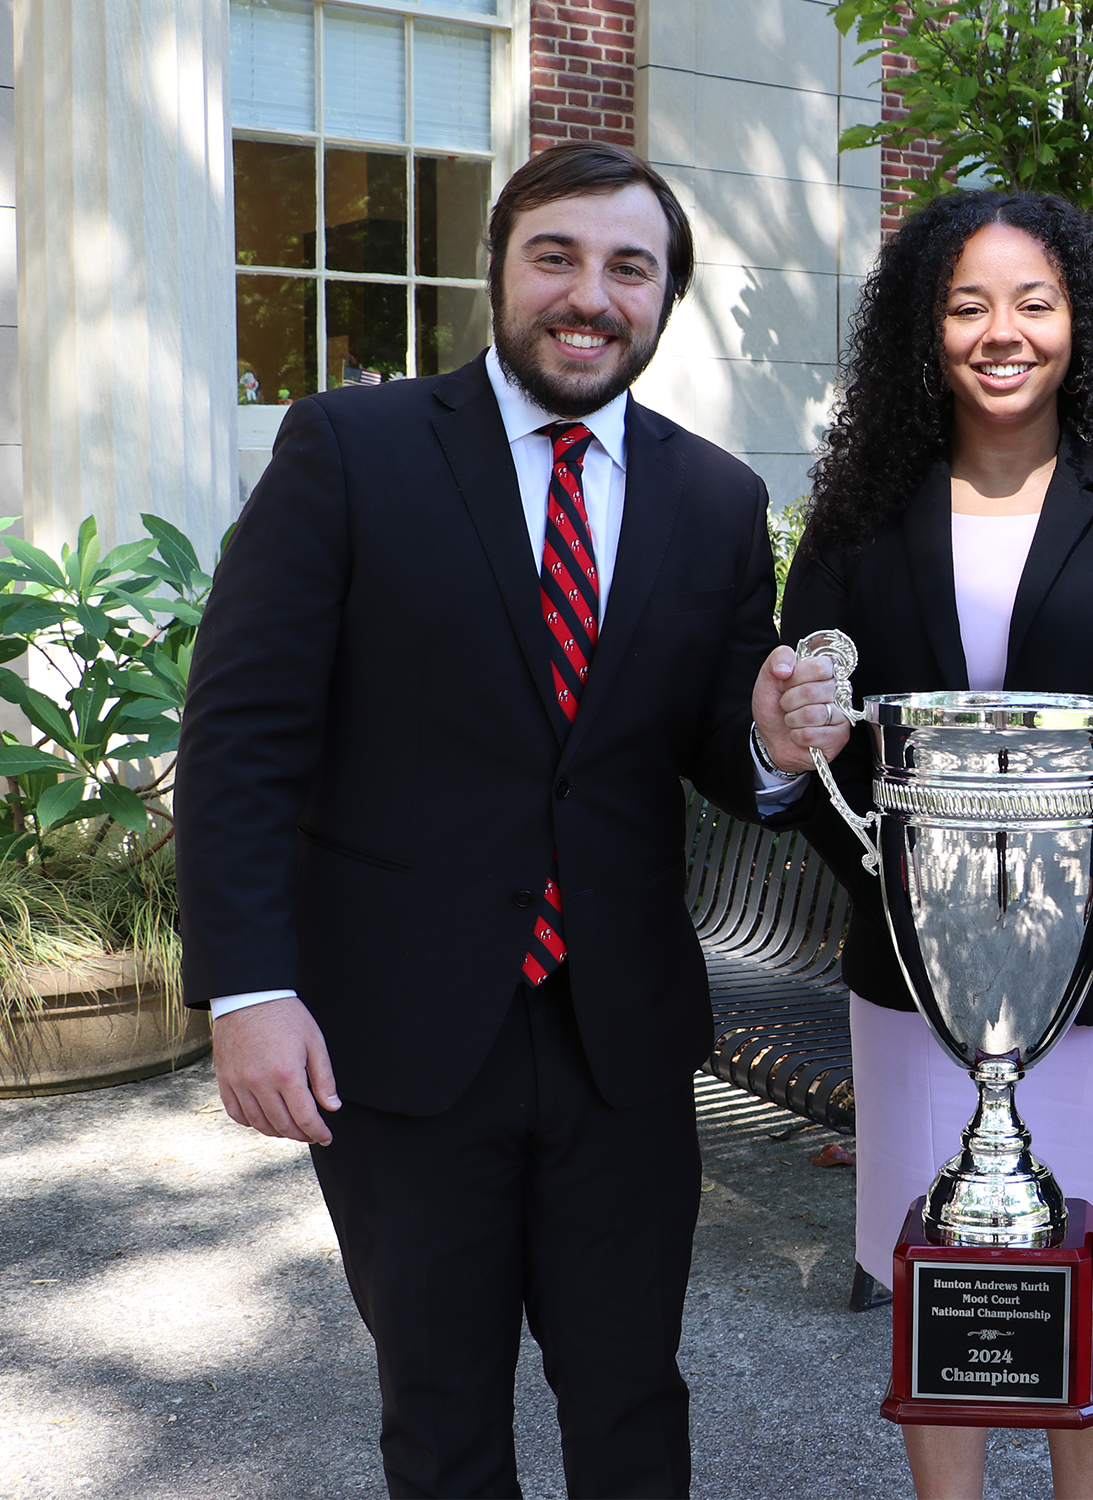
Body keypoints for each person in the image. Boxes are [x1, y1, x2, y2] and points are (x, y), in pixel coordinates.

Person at [176, 141, 846, 1499]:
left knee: (632, 1399)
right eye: (557, 257)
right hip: (402, 1037)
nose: (588, 294)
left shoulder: (716, 499)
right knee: (440, 1408)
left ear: (664, 300)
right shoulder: (349, 451)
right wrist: (248, 988)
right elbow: (242, 736)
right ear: (499, 274)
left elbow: (720, 744)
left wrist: (773, 746)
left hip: (624, 1042)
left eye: (627, 267)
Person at [764, 189, 1093, 1499]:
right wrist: (916, 901)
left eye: (1035, 301)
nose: (1002, 331)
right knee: (944, 1273)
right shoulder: (859, 510)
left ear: (1081, 322)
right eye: (968, 304)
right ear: (926, 328)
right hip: (922, 980)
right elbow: (810, 739)